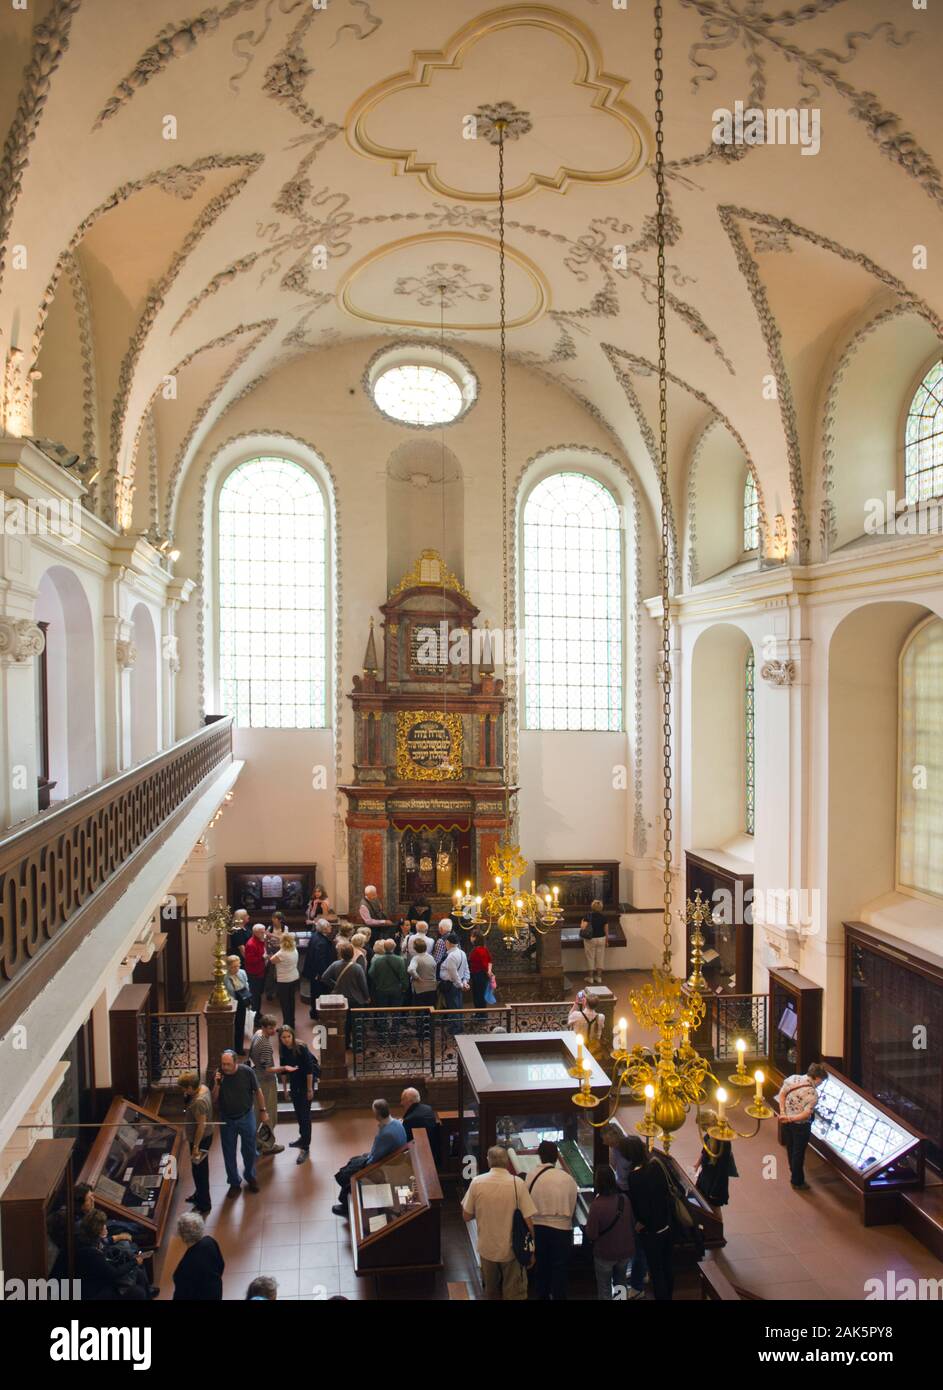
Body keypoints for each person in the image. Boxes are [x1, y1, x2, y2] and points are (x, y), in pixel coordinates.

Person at [461, 1145, 536, 1301]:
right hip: (512, 1249)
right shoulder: (517, 1184)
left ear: (488, 1161)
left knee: (491, 1292)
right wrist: (532, 1250)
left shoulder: (477, 1182)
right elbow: (529, 1221)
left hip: (487, 1248)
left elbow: (466, 1216)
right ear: (507, 1162)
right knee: (514, 1293)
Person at [332, 1099, 407, 1218]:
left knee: (350, 1174)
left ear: (377, 1115)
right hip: (393, 1158)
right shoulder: (396, 1123)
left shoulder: (385, 1134)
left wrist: (364, 1164)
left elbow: (374, 1159)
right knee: (356, 1160)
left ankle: (346, 1206)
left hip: (385, 1164)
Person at [525, 1139, 578, 1301]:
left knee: (541, 1265)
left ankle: (542, 1295)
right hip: (562, 1229)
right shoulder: (567, 1178)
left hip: (538, 1227)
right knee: (560, 1267)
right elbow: (572, 1204)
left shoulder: (531, 1176)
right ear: (556, 1157)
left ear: (539, 1156)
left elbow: (526, 1203)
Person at [623, 1136, 674, 1301]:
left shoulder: (634, 1177)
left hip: (651, 1231)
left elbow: (642, 1207)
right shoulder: (657, 1165)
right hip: (666, 1224)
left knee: (656, 1269)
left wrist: (640, 1223)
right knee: (667, 1266)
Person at [601, 1127, 647, 1297]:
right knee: (633, 1236)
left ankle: (637, 1285)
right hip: (623, 1190)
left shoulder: (630, 1149)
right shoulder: (616, 1149)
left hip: (632, 1194)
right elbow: (615, 1166)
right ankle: (639, 1274)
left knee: (637, 1238)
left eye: (608, 1141)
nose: (607, 1144)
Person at [213, 1048, 265, 1197]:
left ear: (236, 1062)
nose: (225, 1067)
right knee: (229, 1152)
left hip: (246, 1116)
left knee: (249, 1150)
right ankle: (234, 1182)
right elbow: (214, 1099)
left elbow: (258, 1091)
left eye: (228, 1064)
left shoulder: (247, 1072)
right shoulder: (219, 1075)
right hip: (227, 1119)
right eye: (223, 1064)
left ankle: (250, 1176)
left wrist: (263, 1111)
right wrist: (217, 1084)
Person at [585, 1164, 636, 1301]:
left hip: (605, 1254)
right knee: (621, 1283)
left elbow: (592, 1234)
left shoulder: (597, 1205)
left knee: (604, 1288)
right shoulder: (624, 1200)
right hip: (625, 1251)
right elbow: (631, 1223)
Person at [75, 1210, 151, 1300]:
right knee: (138, 1292)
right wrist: (135, 1261)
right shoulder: (92, 1254)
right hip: (97, 1290)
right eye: (103, 1226)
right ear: (97, 1231)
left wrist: (119, 1237)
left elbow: (105, 1242)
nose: (105, 1227)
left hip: (104, 1276)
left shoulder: (92, 1239)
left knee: (140, 1274)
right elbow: (114, 1273)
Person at [776, 1062, 828, 1190]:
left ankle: (794, 1172)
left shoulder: (792, 1078)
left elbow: (782, 1094)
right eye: (821, 1081)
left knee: (790, 1148)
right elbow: (805, 1115)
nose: (820, 1084)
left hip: (786, 1122)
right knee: (798, 1153)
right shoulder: (812, 1095)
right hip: (800, 1127)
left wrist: (784, 1114)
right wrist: (791, 1118)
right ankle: (797, 1181)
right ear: (816, 1077)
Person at [278, 1024, 317, 1164]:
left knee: (305, 1115)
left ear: (293, 1036)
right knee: (298, 1113)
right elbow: (283, 1070)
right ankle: (302, 1138)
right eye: (283, 1037)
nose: (286, 1039)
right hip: (294, 1084)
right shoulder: (283, 1049)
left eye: (289, 1036)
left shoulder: (301, 1048)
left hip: (305, 1083)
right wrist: (284, 1089)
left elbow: (309, 1070)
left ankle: (305, 1146)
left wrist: (309, 1089)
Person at [179, 1070, 214, 1216]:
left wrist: (196, 1147)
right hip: (202, 1137)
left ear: (190, 1088)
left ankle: (204, 1203)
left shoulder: (198, 1102)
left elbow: (201, 1125)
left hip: (201, 1139)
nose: (182, 1091)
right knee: (196, 1169)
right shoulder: (203, 1088)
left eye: (183, 1088)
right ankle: (198, 1194)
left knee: (200, 1172)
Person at [249, 1015, 283, 1156]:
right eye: (270, 1028)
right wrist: (284, 1068)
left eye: (274, 1027)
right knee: (269, 1114)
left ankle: (255, 1142)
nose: (273, 1030)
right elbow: (267, 1069)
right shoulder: (265, 1045)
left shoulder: (257, 1034)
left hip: (256, 1076)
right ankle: (267, 1145)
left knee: (257, 1112)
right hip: (266, 1081)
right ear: (263, 1027)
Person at [172, 1212, 224, 1300]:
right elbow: (221, 1264)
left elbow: (181, 1295)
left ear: (182, 1236)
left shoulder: (184, 1267)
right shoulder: (210, 1242)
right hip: (215, 1291)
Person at [694, 1111, 739, 1207]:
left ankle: (718, 1223)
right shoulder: (709, 1135)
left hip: (715, 1180)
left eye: (703, 1126)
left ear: (709, 1124)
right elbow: (705, 1149)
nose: (702, 1129)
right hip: (706, 1175)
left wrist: (714, 1191)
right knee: (703, 1201)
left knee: (714, 1208)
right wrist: (698, 1163)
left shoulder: (723, 1142)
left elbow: (722, 1168)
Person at [303, 917, 336, 1019]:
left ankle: (314, 1012)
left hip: (313, 972)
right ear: (324, 929)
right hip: (319, 973)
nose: (331, 927)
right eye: (329, 926)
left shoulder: (315, 936)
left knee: (315, 993)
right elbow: (320, 961)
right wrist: (325, 974)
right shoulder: (322, 942)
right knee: (320, 994)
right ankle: (319, 1014)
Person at [271, 930, 299, 1028]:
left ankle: (286, 1024)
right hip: (294, 977)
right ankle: (292, 1022)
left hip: (284, 981)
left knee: (284, 1003)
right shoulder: (294, 949)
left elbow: (272, 960)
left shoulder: (282, 953)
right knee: (291, 1001)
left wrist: (280, 947)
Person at [224, 953, 251, 1055]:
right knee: (231, 1027)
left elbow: (247, 986)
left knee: (240, 1025)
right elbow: (228, 992)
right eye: (233, 967)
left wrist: (248, 1001)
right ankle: (230, 1049)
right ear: (228, 967)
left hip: (242, 1002)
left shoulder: (242, 972)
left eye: (238, 966)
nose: (236, 969)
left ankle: (239, 1048)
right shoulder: (225, 977)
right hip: (232, 1003)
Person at [369, 937, 409, 1006]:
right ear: (394, 947)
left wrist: (378, 982)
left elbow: (371, 973)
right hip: (396, 989)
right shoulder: (400, 960)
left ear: (384, 947)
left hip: (381, 989)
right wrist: (404, 987)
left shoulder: (377, 960)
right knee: (396, 1011)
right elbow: (403, 976)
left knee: (382, 1011)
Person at [567, 990, 605, 1060]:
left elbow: (569, 1020)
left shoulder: (576, 1015)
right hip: (594, 1051)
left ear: (584, 1002)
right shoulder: (601, 1017)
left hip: (578, 1048)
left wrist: (576, 1003)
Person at [440, 933, 470, 1010]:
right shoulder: (462, 953)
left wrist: (461, 985)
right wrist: (465, 982)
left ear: (448, 943)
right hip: (458, 984)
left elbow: (454, 974)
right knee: (458, 1007)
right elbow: (466, 969)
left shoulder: (451, 956)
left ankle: (456, 1022)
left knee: (453, 1009)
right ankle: (459, 1022)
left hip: (452, 986)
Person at [580, 898, 607, 984]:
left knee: (590, 957)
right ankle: (599, 977)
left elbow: (583, 927)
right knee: (600, 957)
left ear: (592, 906)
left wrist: (582, 921)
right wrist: (607, 940)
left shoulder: (588, 916)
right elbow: (606, 930)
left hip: (590, 939)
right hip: (601, 938)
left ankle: (590, 978)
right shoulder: (603, 917)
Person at [244, 923, 268, 1020]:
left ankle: (258, 1013)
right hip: (254, 973)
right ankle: (255, 1017)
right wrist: (262, 958)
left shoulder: (260, 940)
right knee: (255, 996)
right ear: (256, 933)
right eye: (262, 932)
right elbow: (250, 960)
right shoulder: (251, 944)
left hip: (260, 971)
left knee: (258, 995)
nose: (264, 933)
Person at [468, 928, 493, 1008]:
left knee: (478, 996)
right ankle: (480, 1013)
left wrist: (488, 971)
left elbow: (484, 963)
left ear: (475, 938)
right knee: (480, 995)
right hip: (481, 975)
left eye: (472, 936)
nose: (470, 938)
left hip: (479, 975)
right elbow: (489, 961)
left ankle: (481, 1014)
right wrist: (489, 971)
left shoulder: (477, 950)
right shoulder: (484, 949)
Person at [407, 935, 438, 1001]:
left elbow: (411, 969)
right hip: (432, 987)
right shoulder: (431, 957)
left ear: (415, 948)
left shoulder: (416, 958)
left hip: (420, 989)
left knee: (420, 1009)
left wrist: (417, 978)